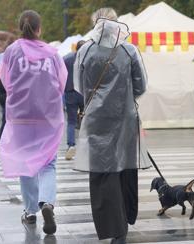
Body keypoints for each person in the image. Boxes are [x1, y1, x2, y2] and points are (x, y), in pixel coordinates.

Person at [74, 8, 149, 244]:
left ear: (95, 24)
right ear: (117, 24)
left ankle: (116, 229)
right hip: (125, 116)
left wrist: (97, 100)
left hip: (97, 119)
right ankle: (126, 217)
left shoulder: (85, 50)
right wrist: (124, 97)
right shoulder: (129, 50)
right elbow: (141, 85)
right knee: (125, 168)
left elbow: (78, 85)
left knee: (103, 173)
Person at [0, 10, 67, 235]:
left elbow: (5, 79)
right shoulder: (52, 54)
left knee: (25, 163)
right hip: (48, 116)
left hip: (21, 117)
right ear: (39, 29)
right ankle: (47, 202)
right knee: (48, 163)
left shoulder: (11, 51)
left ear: (21, 28)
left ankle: (30, 211)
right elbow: (62, 81)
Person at [63, 40, 85, 160]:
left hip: (70, 92)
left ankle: (71, 145)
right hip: (84, 92)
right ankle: (85, 145)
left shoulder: (66, 59)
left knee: (71, 121)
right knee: (86, 120)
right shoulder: (88, 59)